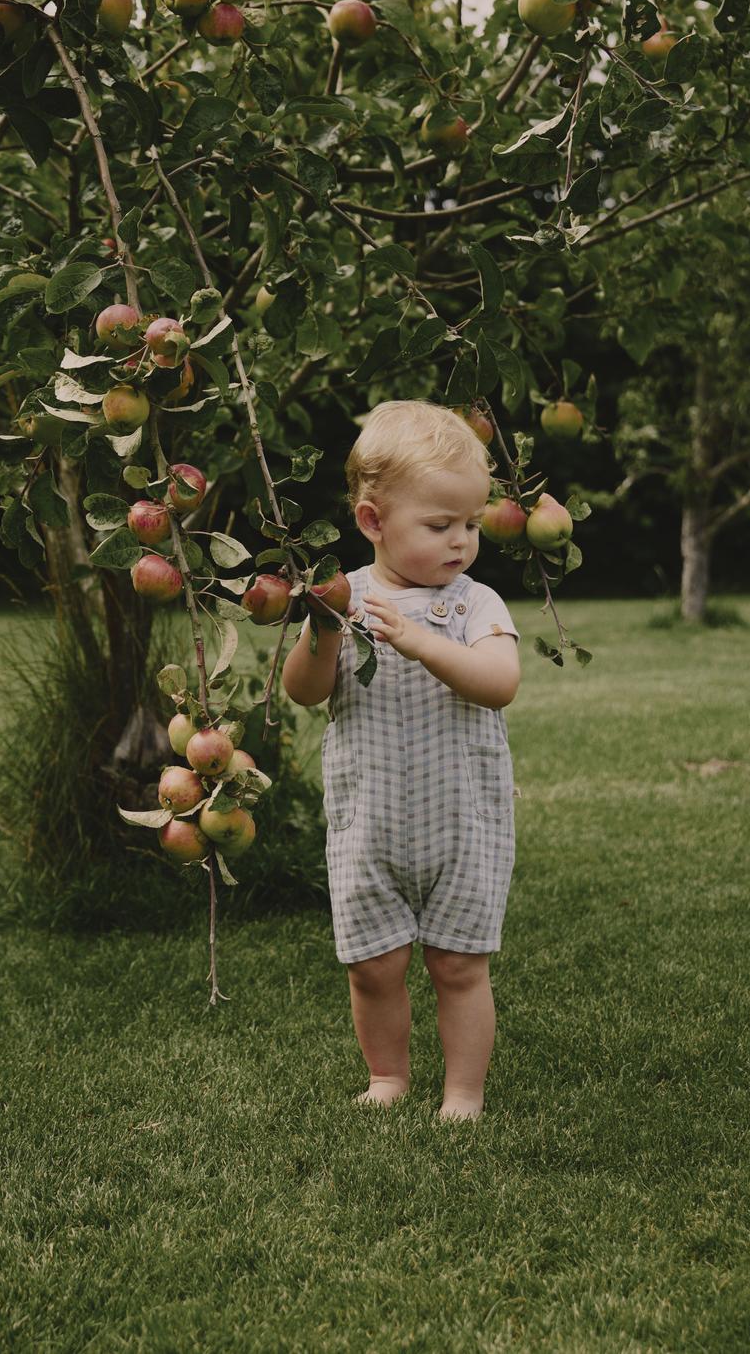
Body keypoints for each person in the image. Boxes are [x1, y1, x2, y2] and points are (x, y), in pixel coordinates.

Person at [281, 400, 521, 1121]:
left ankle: (463, 1092)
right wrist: (324, 632)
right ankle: (387, 1075)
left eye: (471, 524)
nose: (461, 542)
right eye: (440, 525)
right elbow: (303, 692)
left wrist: (421, 644)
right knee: (373, 966)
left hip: (463, 823)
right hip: (370, 822)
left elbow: (499, 682)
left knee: (459, 963)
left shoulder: (475, 604)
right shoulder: (344, 598)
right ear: (372, 521)